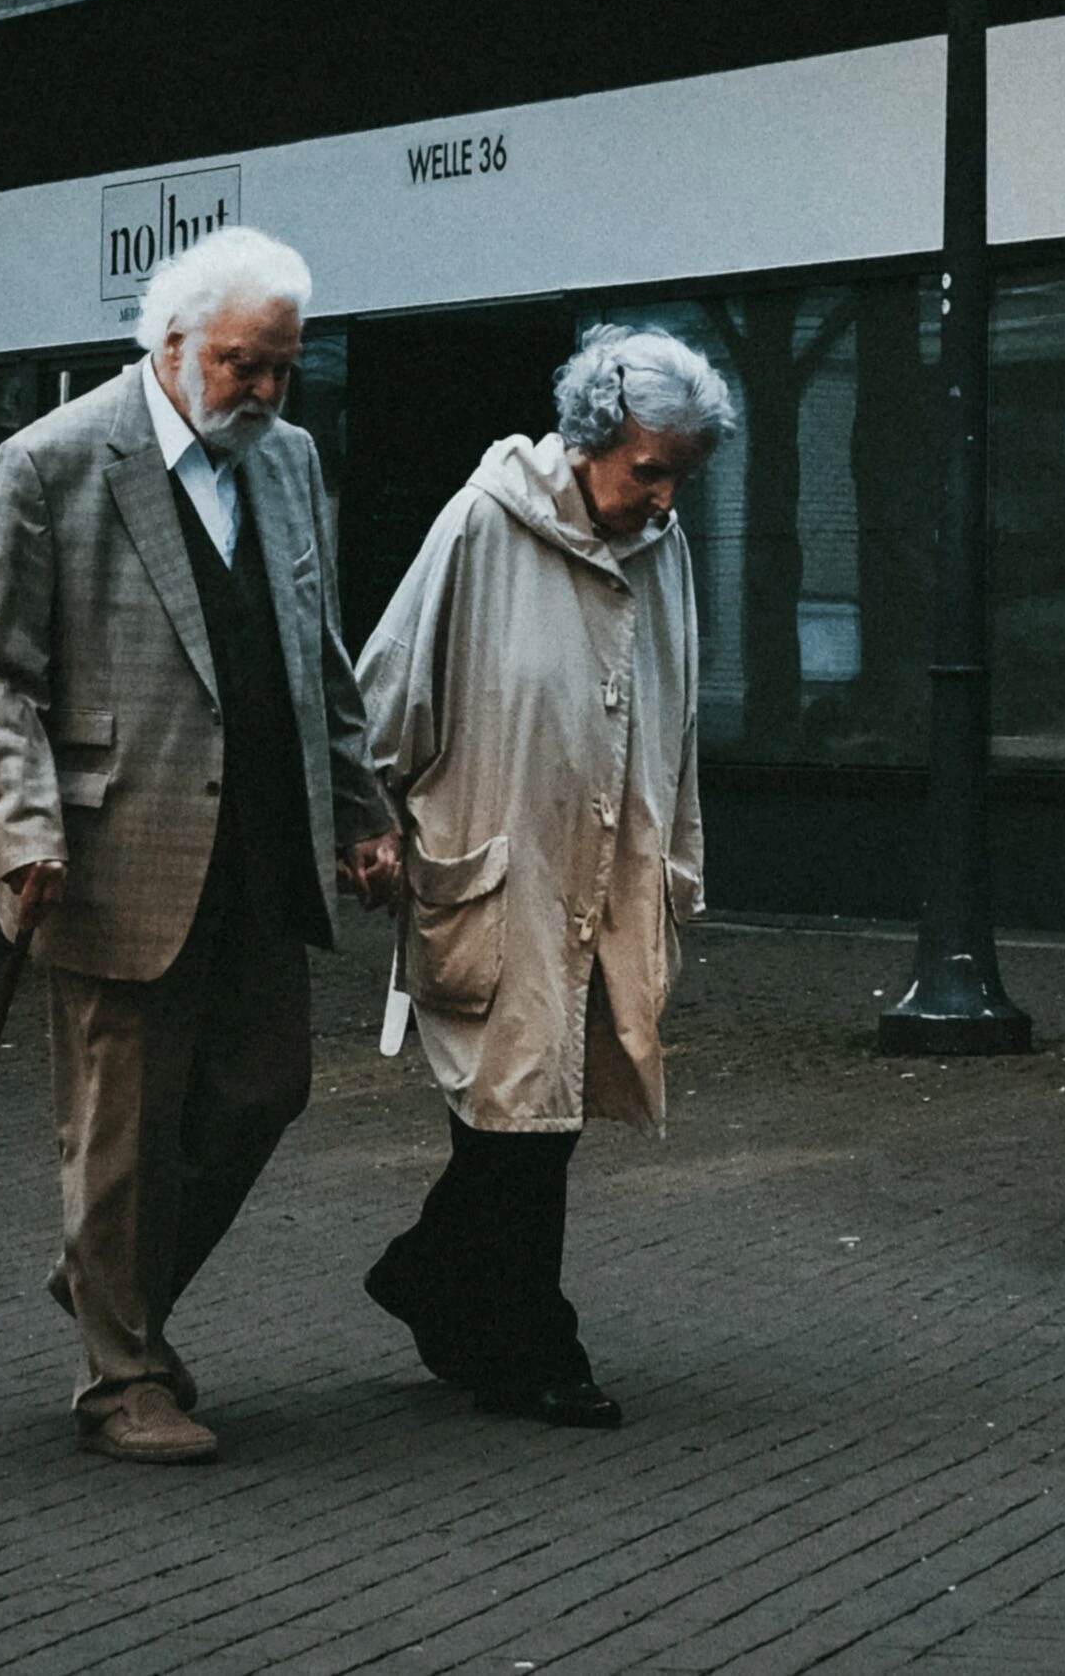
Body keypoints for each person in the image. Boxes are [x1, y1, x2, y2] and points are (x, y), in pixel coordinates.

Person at [0, 226, 397, 1464]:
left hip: (261, 840)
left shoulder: (290, 460)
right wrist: (20, 831)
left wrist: (360, 814)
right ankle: (122, 1378)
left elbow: (319, 654)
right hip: (107, 851)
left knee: (266, 1088)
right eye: (244, 365)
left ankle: (105, 1281)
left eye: (282, 369)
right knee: (125, 1128)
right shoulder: (53, 462)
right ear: (174, 342)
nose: (262, 391)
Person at [356, 324, 731, 1430]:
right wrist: (368, 817)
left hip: (611, 864)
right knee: (518, 1104)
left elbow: (682, 714)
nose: (662, 499)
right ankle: (531, 1345)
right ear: (590, 440)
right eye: (648, 469)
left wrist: (680, 854)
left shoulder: (664, 553)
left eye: (680, 478)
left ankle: (435, 1282)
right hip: (501, 854)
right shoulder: (484, 523)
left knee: (544, 1105)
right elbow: (389, 680)